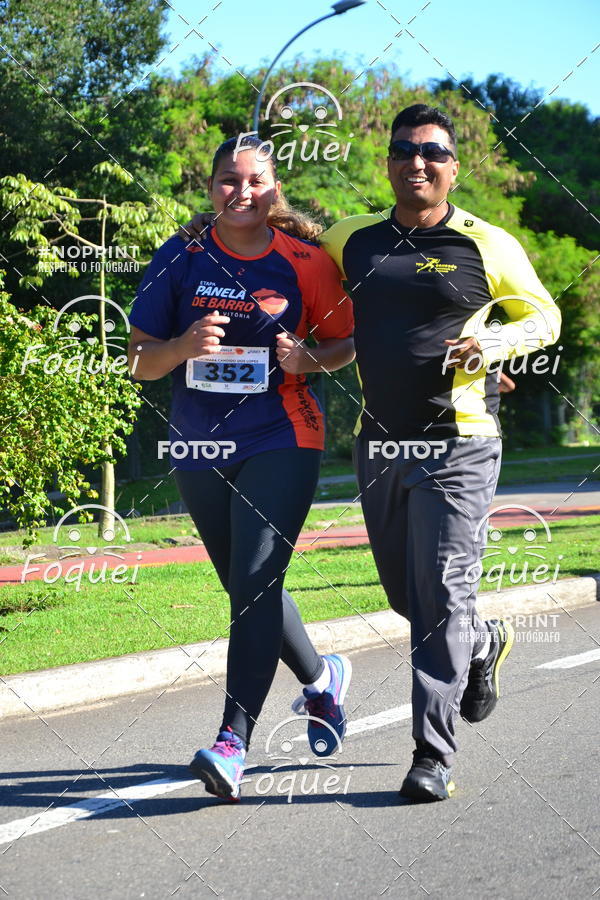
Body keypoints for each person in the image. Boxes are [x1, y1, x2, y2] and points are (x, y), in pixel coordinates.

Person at [320, 104, 561, 801]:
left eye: (432, 152)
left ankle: (433, 754)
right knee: (407, 594)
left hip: (461, 443)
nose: (417, 161)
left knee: (443, 592)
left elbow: (542, 314)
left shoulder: (487, 242)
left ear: (452, 168)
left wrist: (492, 345)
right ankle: (483, 642)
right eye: (404, 149)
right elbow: (298, 242)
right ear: (389, 163)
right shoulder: (353, 239)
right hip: (379, 444)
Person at [127, 135, 355, 802]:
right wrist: (181, 346)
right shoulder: (180, 258)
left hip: (283, 435)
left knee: (256, 580)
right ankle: (322, 681)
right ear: (212, 187)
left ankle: (232, 743)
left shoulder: (307, 262)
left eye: (256, 180)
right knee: (245, 584)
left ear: (274, 186)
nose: (244, 192)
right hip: (199, 442)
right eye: (230, 180)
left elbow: (346, 342)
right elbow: (138, 360)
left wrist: (307, 360)